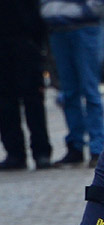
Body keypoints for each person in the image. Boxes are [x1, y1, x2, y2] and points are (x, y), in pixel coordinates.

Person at [41, 0, 104, 167]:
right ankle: (75, 146)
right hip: (58, 28)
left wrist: (90, 8)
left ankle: (97, 147)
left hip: (84, 26)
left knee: (90, 91)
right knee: (69, 92)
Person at [0, 0, 53, 170]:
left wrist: (38, 43)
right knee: (5, 103)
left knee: (33, 100)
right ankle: (15, 153)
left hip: (26, 41)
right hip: (7, 42)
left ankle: (41, 152)